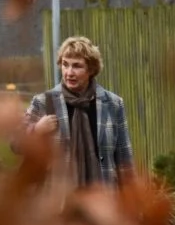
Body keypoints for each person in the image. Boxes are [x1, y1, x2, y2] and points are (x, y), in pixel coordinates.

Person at [22, 36, 134, 189]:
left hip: (102, 201)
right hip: (58, 203)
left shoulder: (113, 104)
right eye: (65, 64)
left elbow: (124, 159)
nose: (69, 72)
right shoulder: (44, 102)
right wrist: (36, 130)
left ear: (91, 69)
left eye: (77, 66)